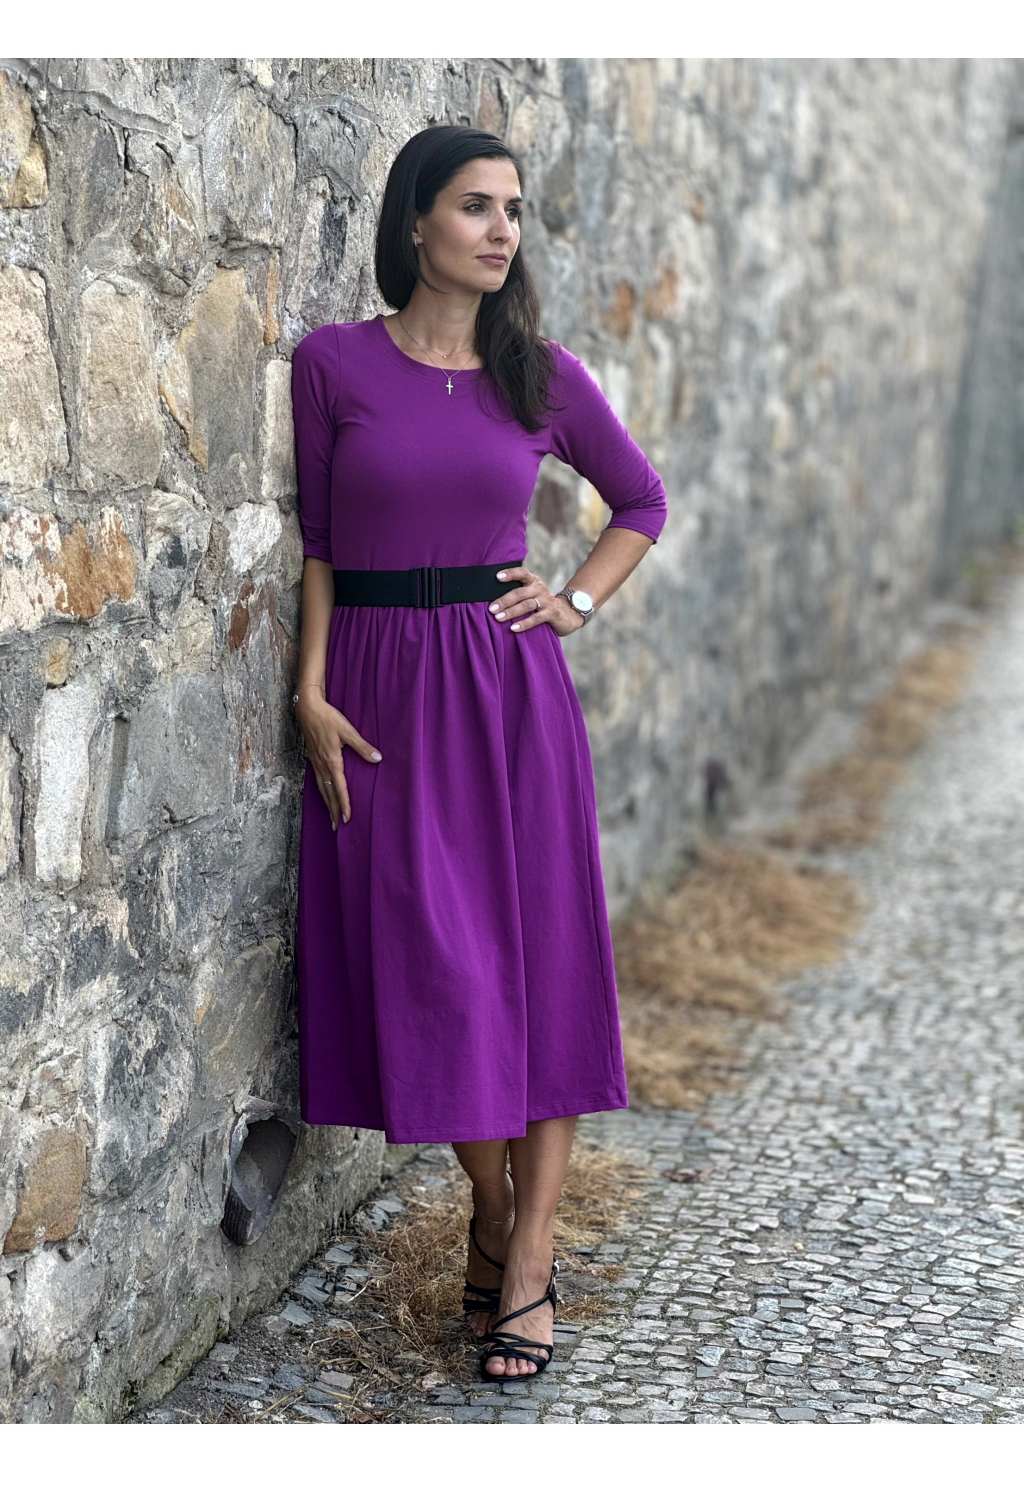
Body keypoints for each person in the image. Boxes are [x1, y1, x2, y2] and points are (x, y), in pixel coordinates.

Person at [290, 124, 668, 1381]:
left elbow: (641, 501)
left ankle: (527, 1257)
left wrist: (578, 600)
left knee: (540, 965)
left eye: (512, 209)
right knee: (436, 970)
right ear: (414, 223)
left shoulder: (538, 376)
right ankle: (494, 1206)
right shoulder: (333, 364)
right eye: (474, 206)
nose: (502, 229)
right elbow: (321, 546)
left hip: (507, 693)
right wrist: (309, 689)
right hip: (378, 699)